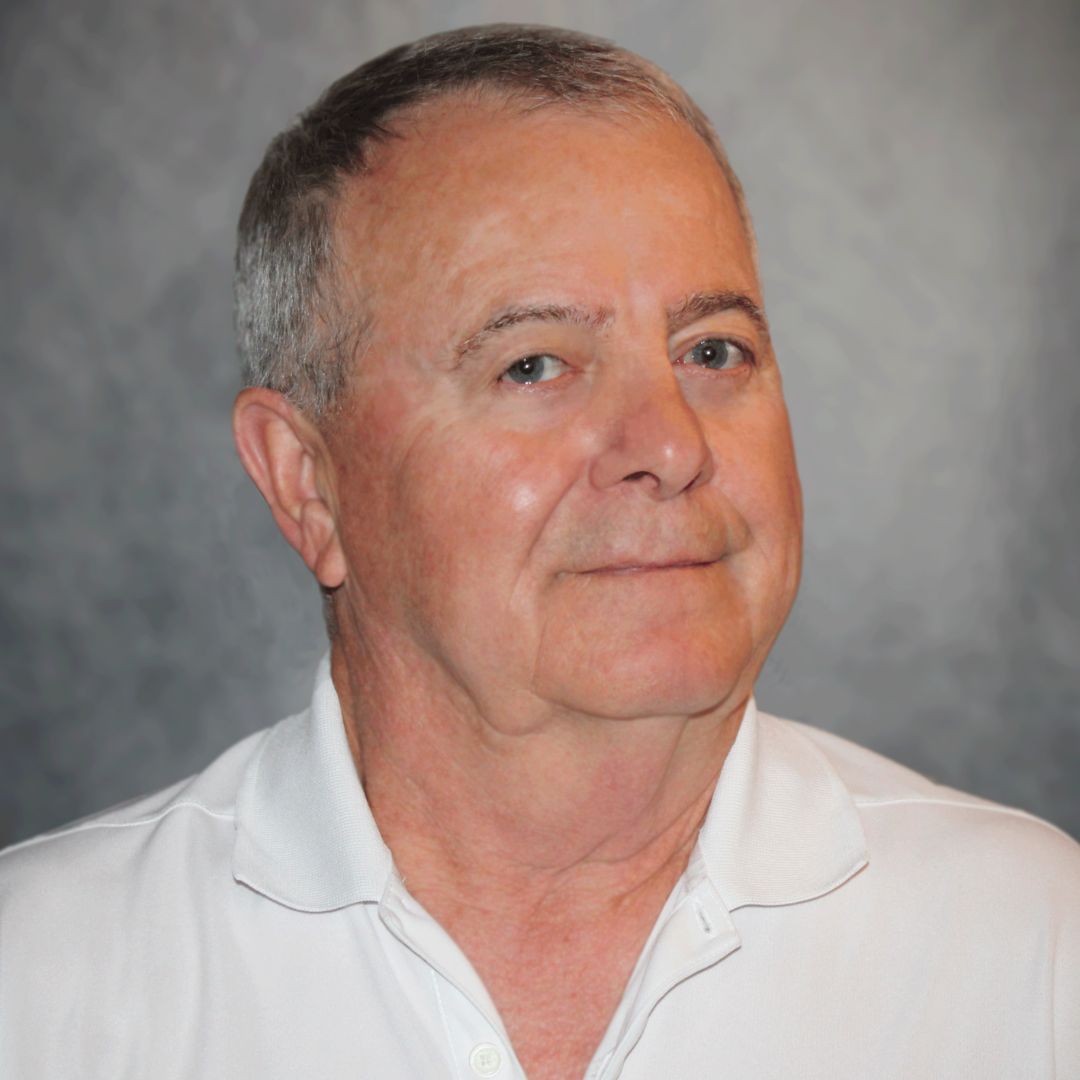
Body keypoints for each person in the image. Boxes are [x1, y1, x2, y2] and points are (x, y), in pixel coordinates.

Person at [1, 24, 1077, 1080]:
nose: (669, 444)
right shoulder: (43, 985)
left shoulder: (1036, 952)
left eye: (714, 350)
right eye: (534, 365)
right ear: (306, 481)